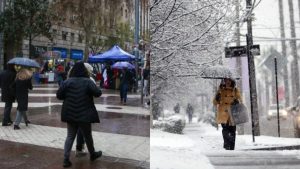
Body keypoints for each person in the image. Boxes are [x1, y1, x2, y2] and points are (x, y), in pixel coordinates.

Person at [56, 62, 102, 168]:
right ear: (84, 71)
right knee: (87, 136)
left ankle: (66, 159)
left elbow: (59, 95)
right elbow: (98, 93)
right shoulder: (88, 81)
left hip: (70, 113)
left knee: (70, 136)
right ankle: (93, 154)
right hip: (85, 114)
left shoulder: (67, 82)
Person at [213, 78, 242, 150]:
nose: (228, 82)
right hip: (223, 113)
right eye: (226, 80)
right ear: (224, 81)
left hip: (233, 113)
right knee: (225, 130)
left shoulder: (235, 90)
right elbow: (214, 103)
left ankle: (232, 147)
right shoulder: (220, 91)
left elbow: (240, 100)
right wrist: (217, 98)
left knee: (232, 131)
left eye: (229, 80)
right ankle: (226, 144)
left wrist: (236, 101)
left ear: (232, 81)